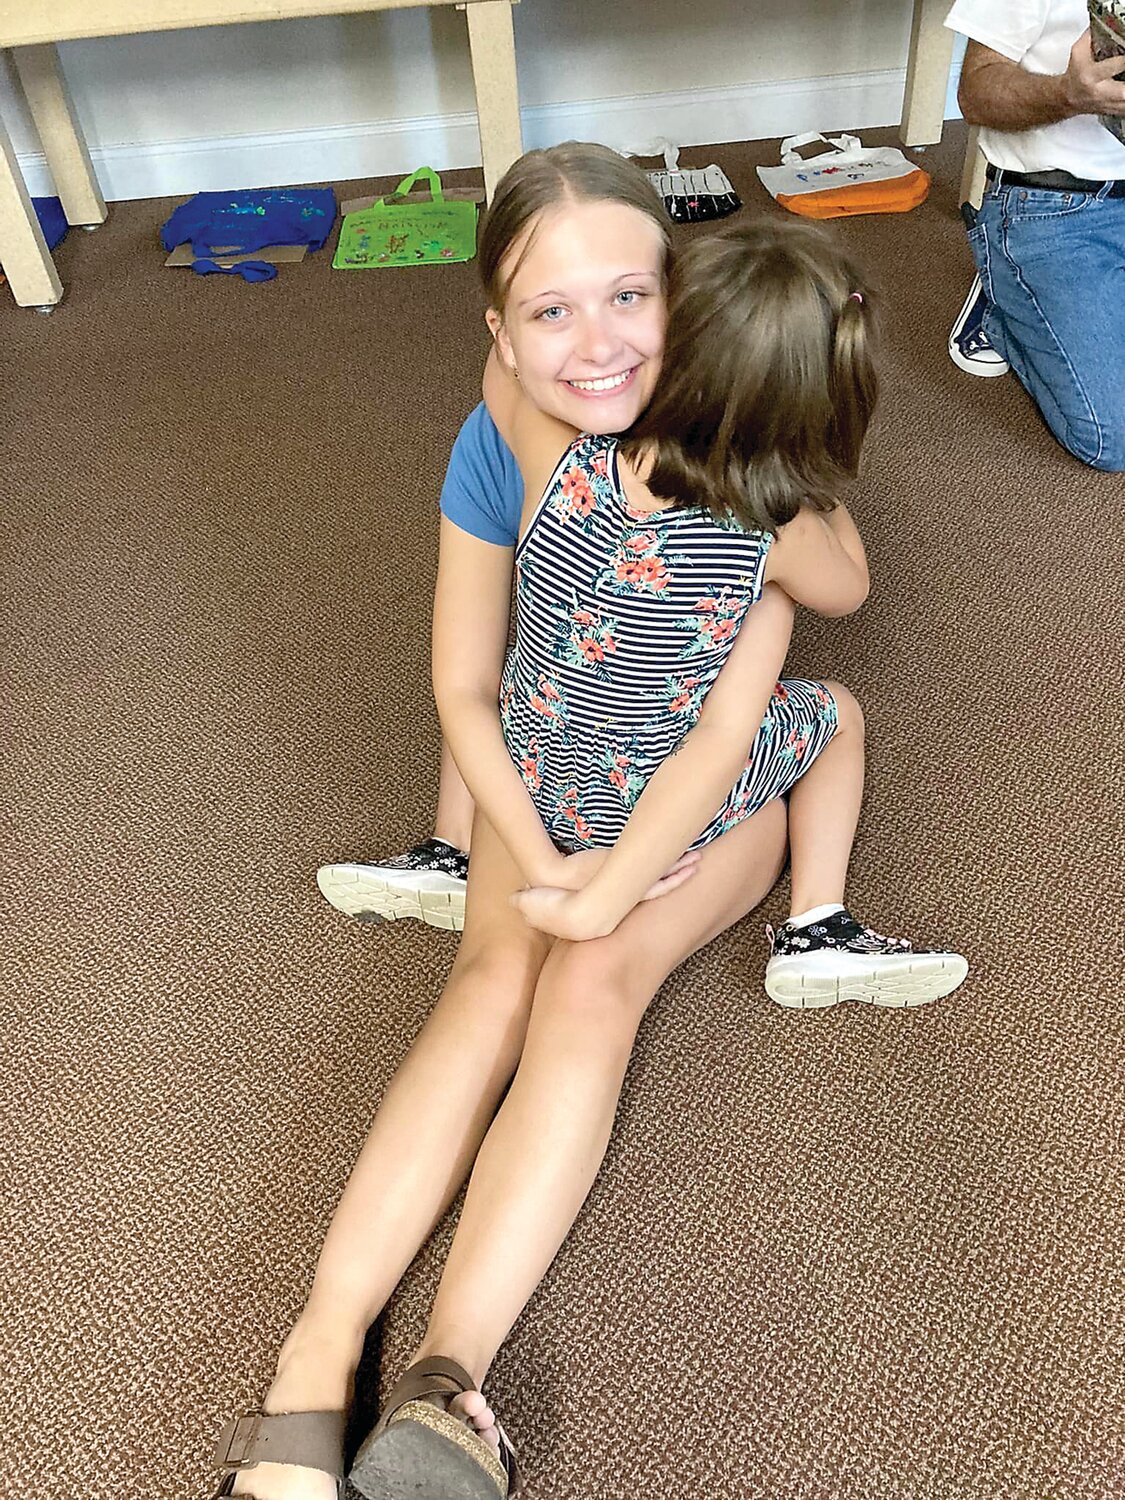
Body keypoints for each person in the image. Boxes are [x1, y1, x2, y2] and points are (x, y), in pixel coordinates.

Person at [211, 151, 968, 1500]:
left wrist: (541, 850)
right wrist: (773, 444)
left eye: (632, 295)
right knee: (542, 983)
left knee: (540, 983)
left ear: (688, 296)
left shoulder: (513, 428)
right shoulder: (727, 487)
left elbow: (472, 682)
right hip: (629, 779)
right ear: (500, 330)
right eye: (552, 312)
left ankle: (357, 1377)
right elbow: (831, 591)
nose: (603, 341)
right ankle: (400, 1368)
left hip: (551, 763)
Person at [945, 0, 1125, 471]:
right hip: (1057, 207)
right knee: (1113, 437)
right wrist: (1071, 94)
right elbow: (976, 93)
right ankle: (1003, 297)